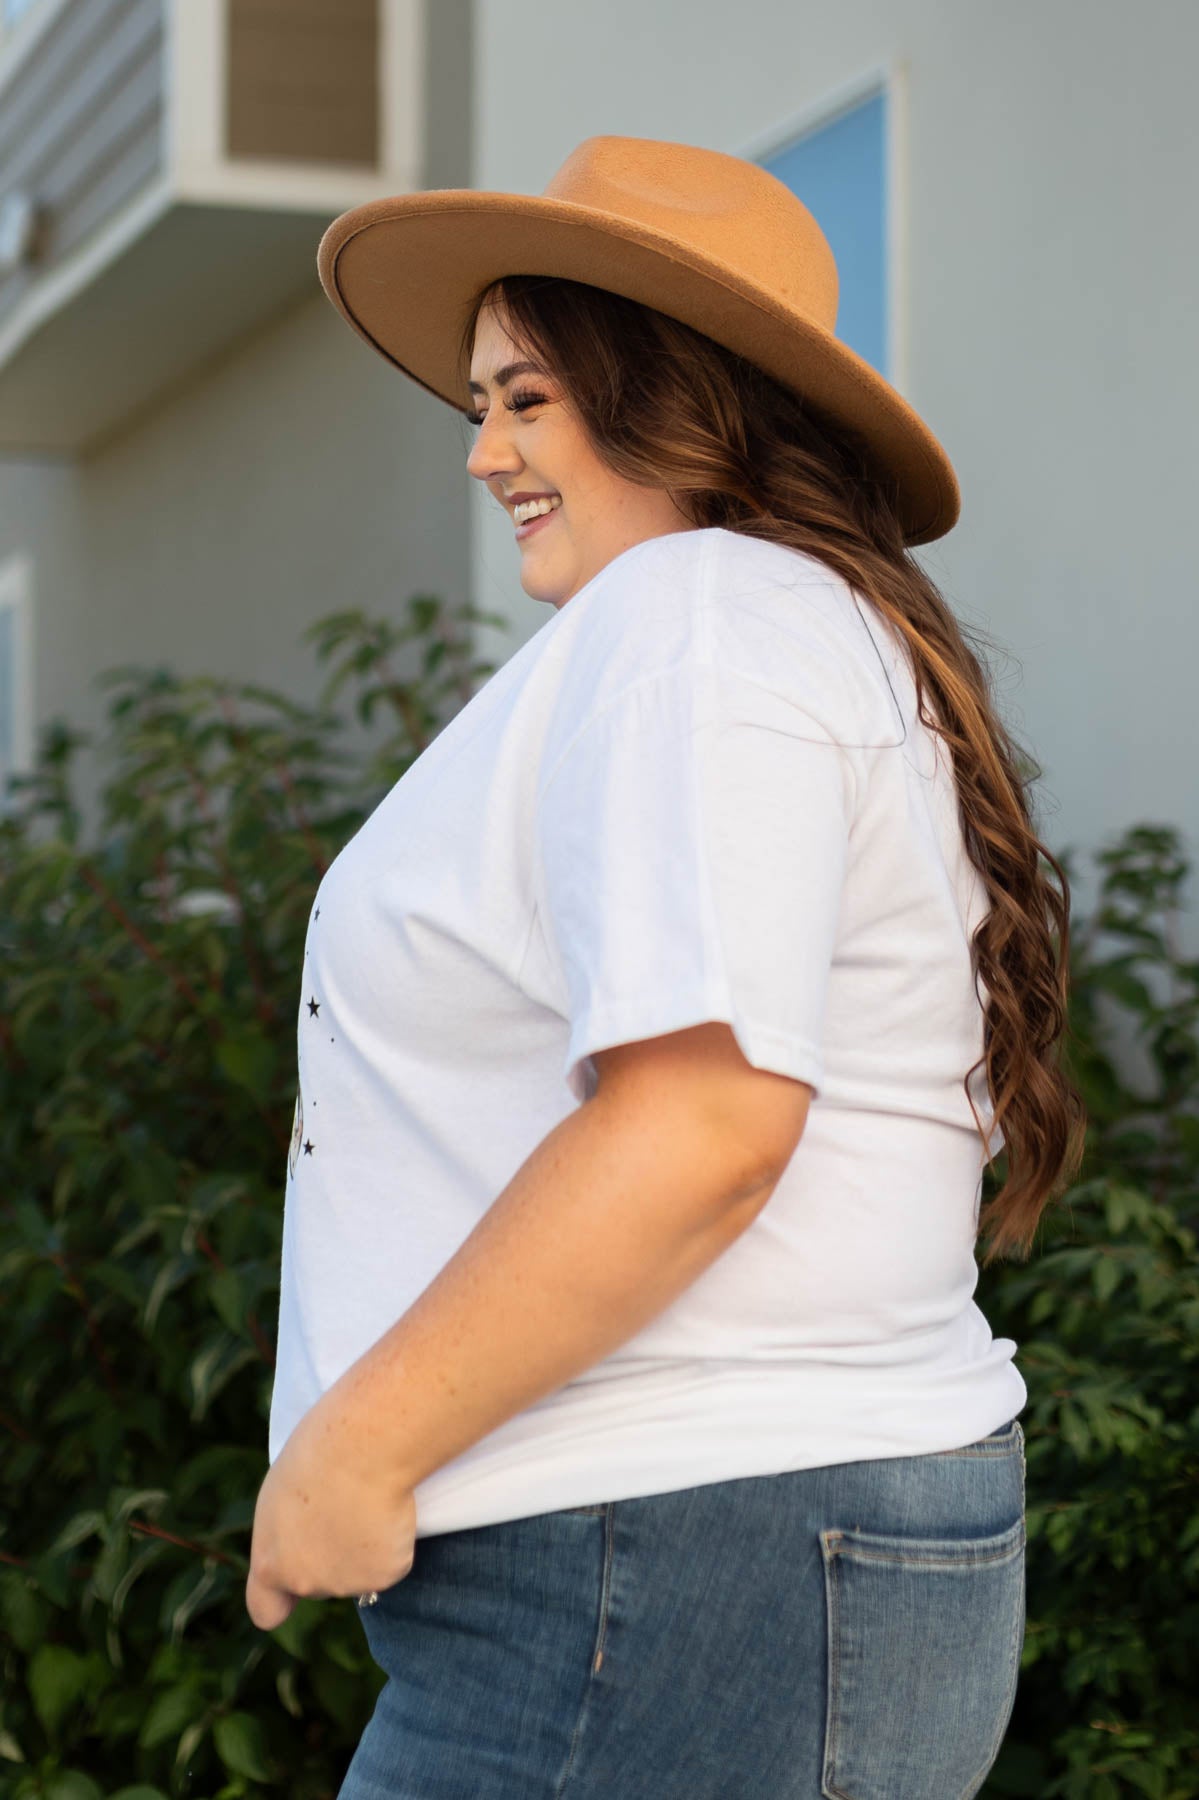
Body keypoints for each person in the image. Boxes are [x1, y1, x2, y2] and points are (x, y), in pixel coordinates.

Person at [246, 136, 1087, 1797]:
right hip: (716, 1553)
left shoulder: (698, 615)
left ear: (674, 401)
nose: (483, 452)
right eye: (478, 403)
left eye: (531, 397)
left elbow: (701, 1125)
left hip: (667, 1566)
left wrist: (358, 1444)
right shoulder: (778, 627)